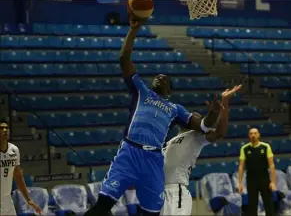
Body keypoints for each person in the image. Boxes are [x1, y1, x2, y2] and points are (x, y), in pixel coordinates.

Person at [83, 14, 219, 216]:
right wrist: (133, 31)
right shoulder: (141, 92)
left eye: (164, 78)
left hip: (153, 160)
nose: (159, 77)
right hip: (129, 153)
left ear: (170, 90)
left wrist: (214, 113)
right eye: (157, 76)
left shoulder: (175, 109)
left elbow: (203, 126)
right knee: (102, 205)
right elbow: (124, 59)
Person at [160, 85, 242, 216]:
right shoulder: (169, 141)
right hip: (160, 190)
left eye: (197, 118)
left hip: (176, 191)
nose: (193, 118)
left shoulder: (195, 137)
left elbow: (220, 132)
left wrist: (224, 102)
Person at [0, 121, 42, 215]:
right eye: (1, 128)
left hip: (6, 200)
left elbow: (18, 176)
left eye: (6, 128)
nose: (5, 130)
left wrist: (28, 199)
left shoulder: (14, 150)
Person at [238, 128, 276, 216]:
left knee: (269, 205)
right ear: (249, 136)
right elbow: (241, 167)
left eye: (255, 133)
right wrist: (240, 183)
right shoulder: (244, 148)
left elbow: (271, 165)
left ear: (259, 135)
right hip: (251, 180)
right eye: (251, 134)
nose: (253, 135)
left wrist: (273, 182)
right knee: (252, 206)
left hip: (264, 179)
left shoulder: (266, 146)